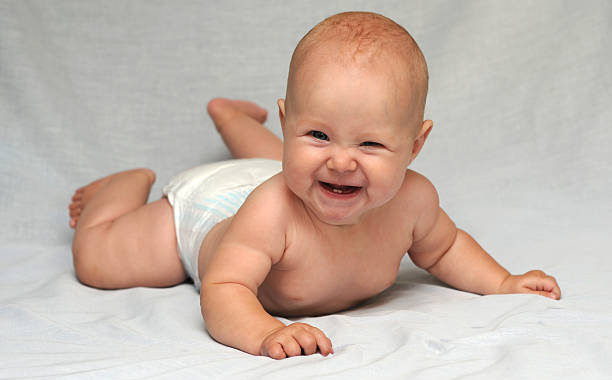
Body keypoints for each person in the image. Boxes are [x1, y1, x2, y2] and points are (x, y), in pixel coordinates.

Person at [68, 11, 561, 360]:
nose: (343, 161)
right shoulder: (271, 212)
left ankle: (232, 118)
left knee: (289, 167)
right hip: (212, 210)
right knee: (98, 262)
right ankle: (122, 187)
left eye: (370, 143)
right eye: (317, 132)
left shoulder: (413, 201)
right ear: (288, 123)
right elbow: (224, 285)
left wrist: (502, 282)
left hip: (277, 174)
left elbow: (447, 247)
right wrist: (263, 332)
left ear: (414, 145)